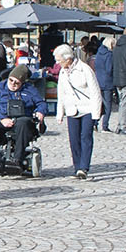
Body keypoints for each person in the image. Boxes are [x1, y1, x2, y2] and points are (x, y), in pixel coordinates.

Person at [0, 64, 48, 176]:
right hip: (4, 119)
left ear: (22, 83)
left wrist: (40, 112)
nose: (13, 84)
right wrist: (2, 119)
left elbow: (41, 103)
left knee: (23, 123)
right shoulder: (0, 87)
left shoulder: (29, 89)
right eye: (11, 80)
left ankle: (17, 160)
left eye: (17, 82)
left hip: (22, 120)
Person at [52, 44, 101, 178]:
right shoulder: (63, 72)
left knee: (85, 137)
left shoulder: (85, 69)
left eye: (59, 60)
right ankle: (77, 166)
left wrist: (96, 114)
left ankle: (84, 167)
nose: (57, 63)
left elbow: (95, 91)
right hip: (72, 109)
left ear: (67, 59)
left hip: (87, 108)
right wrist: (60, 112)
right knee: (74, 140)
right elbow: (61, 93)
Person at [91, 35, 115, 132]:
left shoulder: (99, 53)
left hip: (98, 80)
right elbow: (109, 69)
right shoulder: (109, 55)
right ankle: (105, 125)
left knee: (99, 104)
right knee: (108, 105)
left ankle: (94, 122)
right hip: (107, 82)